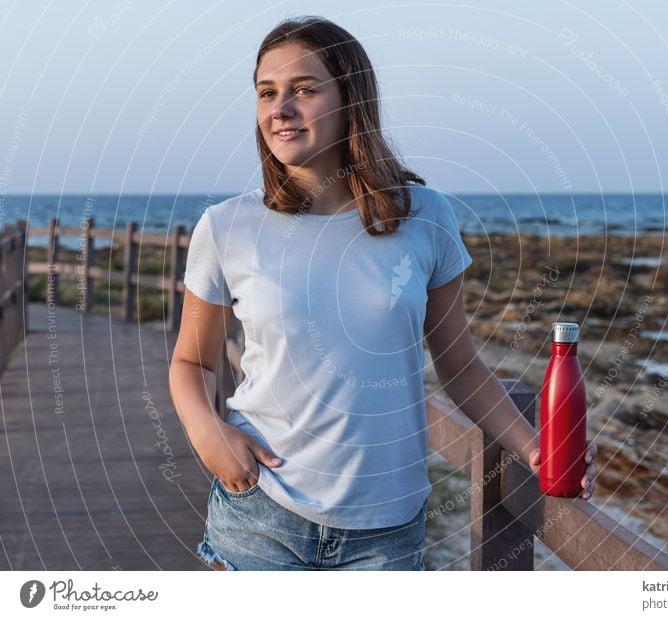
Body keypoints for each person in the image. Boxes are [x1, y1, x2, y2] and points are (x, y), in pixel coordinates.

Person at [169, 15, 597, 571]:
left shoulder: (426, 218)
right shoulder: (226, 227)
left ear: (351, 99)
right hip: (260, 514)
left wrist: (535, 450)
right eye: (266, 93)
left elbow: (460, 366)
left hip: (386, 533)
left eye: (304, 90)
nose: (280, 109)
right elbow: (191, 360)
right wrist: (209, 434)